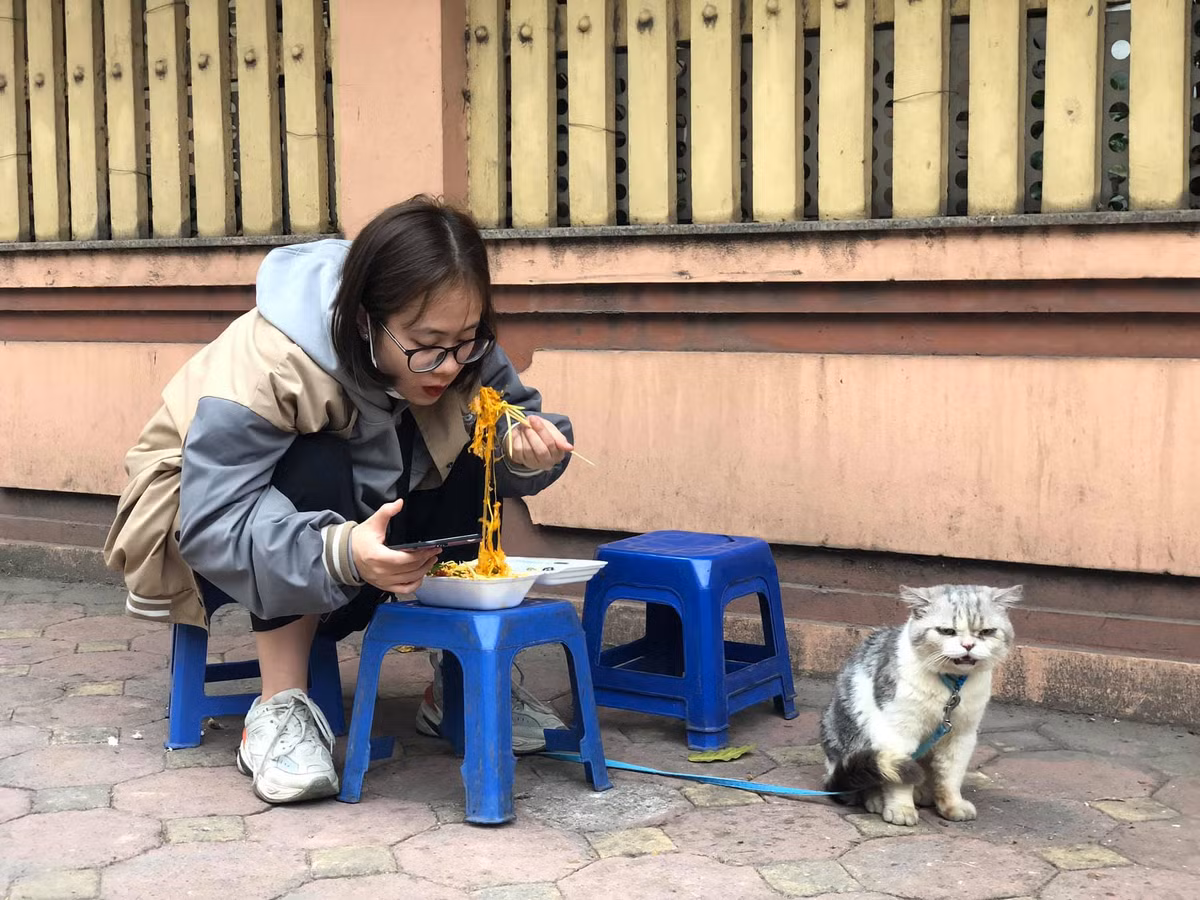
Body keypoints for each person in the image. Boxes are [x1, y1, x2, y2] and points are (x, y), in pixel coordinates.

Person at [104, 196, 576, 804]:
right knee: (314, 456)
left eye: (467, 340)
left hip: (362, 521)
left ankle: (458, 685)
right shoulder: (273, 361)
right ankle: (279, 709)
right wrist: (341, 550)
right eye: (428, 344)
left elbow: (515, 414)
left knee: (475, 435)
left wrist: (522, 449)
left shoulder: (458, 346)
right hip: (206, 527)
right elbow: (216, 518)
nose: (448, 362)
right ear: (363, 321)